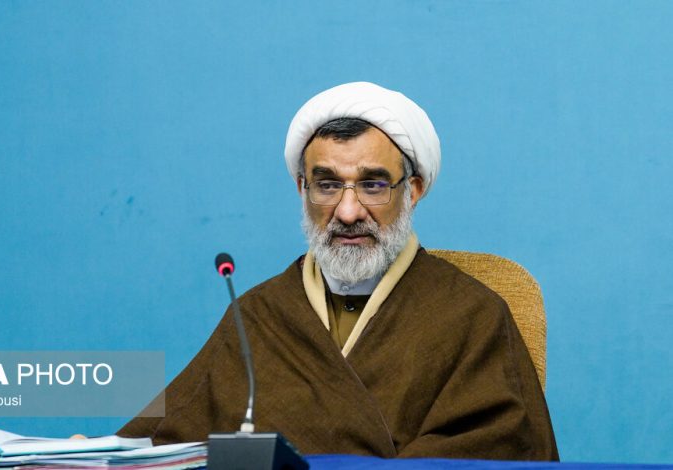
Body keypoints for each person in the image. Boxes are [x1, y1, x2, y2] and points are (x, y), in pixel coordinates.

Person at [118, 82, 559, 460]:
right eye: (327, 185)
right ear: (302, 188)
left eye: (373, 184)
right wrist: (105, 453)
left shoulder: (473, 315)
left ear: (414, 190)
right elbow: (171, 444)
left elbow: (503, 450)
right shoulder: (258, 315)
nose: (348, 212)